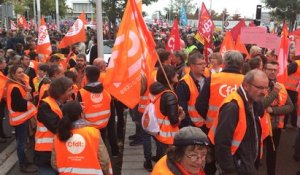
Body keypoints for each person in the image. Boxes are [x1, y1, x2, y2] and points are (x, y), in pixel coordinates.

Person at [208, 69, 267, 175]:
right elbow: (222, 143)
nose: (264, 92)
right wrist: (230, 170)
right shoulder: (233, 106)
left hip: (245, 165)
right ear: (246, 85)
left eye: (266, 88)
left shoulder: (252, 102)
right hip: (236, 168)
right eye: (259, 88)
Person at [51, 101, 112, 175]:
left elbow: (54, 163)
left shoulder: (58, 136)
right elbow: (104, 161)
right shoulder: (93, 133)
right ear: (81, 114)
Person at [34, 77, 73, 174]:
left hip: (55, 150)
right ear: (60, 92)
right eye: (69, 90)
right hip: (46, 153)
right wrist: (73, 113)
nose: (72, 92)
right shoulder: (45, 106)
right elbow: (57, 128)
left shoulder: (59, 103)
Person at [261, 61, 293, 175]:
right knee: (254, 153)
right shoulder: (259, 85)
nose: (273, 72)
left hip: (275, 127)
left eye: (275, 70)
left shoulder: (281, 86)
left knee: (272, 153)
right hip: (260, 126)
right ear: (264, 70)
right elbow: (261, 105)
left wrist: (273, 110)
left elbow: (290, 107)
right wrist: (274, 92)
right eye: (270, 69)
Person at [149, 64, 183, 166]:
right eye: (174, 73)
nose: (177, 75)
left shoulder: (157, 91)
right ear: (168, 76)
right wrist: (181, 115)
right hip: (169, 136)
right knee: (171, 164)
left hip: (160, 133)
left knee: (164, 160)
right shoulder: (169, 95)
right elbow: (174, 121)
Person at [6, 64, 37, 173]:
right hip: (20, 120)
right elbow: (17, 106)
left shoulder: (19, 84)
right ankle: (23, 165)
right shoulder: (14, 87)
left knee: (22, 142)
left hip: (22, 119)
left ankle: (25, 162)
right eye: (19, 72)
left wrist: (28, 93)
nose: (22, 74)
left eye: (22, 72)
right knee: (21, 143)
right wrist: (27, 99)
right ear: (13, 74)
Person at [176, 52, 206, 128]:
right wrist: (190, 125)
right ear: (192, 66)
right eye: (200, 64)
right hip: (191, 126)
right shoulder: (183, 83)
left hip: (206, 125)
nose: (204, 66)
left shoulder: (207, 80)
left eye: (204, 63)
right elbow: (182, 108)